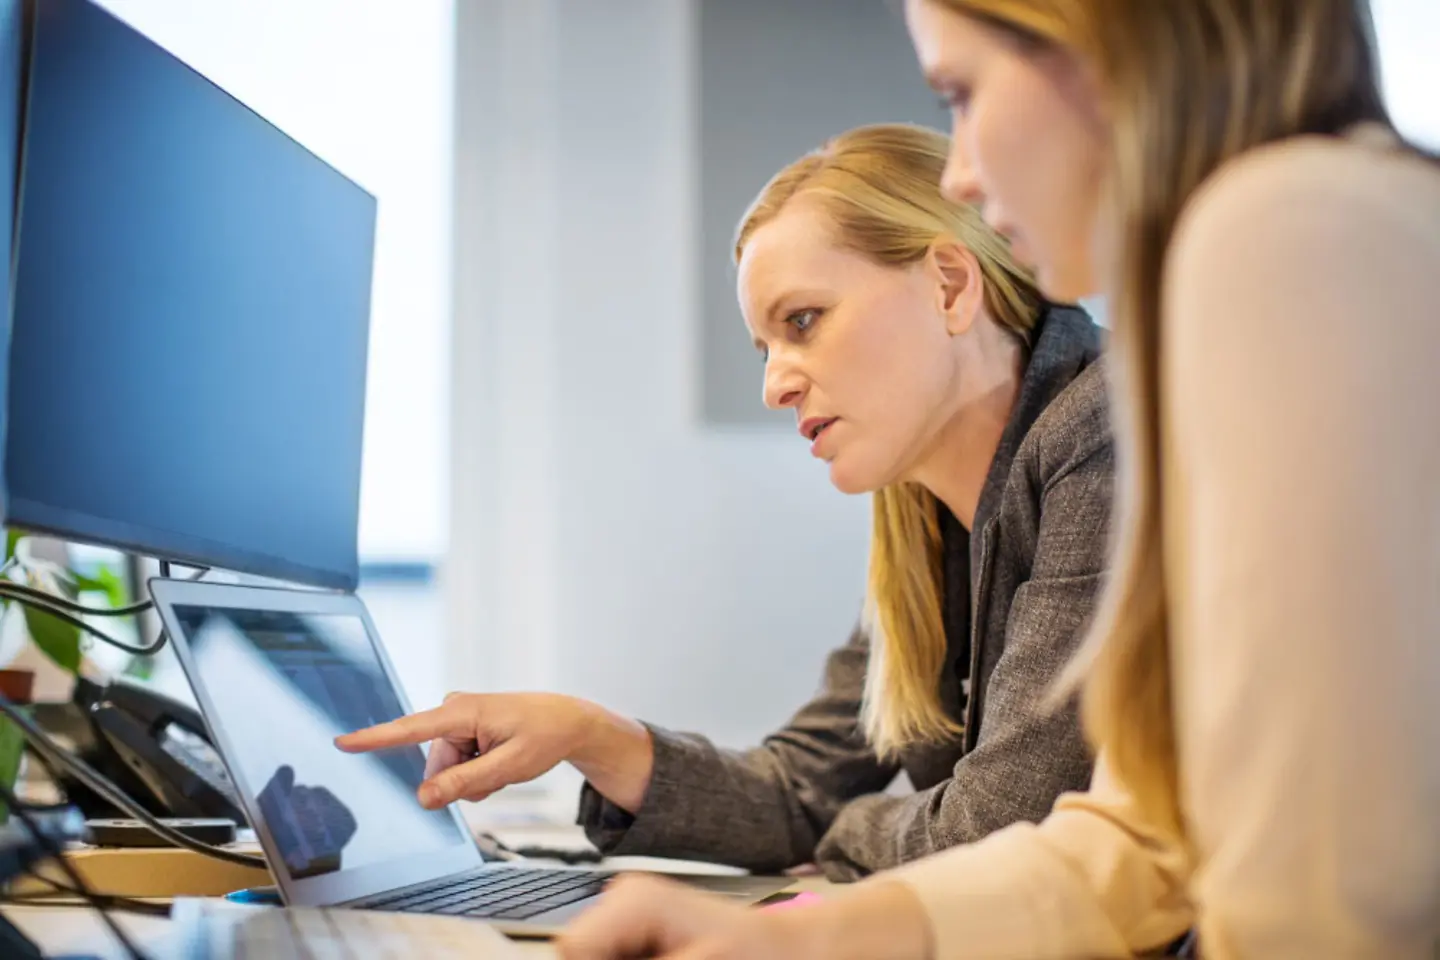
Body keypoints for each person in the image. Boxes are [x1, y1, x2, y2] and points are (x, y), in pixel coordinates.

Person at [553, 0, 1440, 957]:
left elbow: (1334, 901)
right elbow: (1147, 841)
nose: (964, 172)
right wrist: (805, 934)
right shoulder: (936, 503)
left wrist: (841, 851)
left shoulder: (1281, 232)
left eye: (961, 94)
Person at [337, 123, 1115, 881]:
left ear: (949, 285)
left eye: (802, 321)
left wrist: (847, 832)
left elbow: (999, 833)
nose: (777, 383)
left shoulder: (1102, 430)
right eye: (767, 346)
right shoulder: (920, 523)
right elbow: (801, 790)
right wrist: (589, 733)